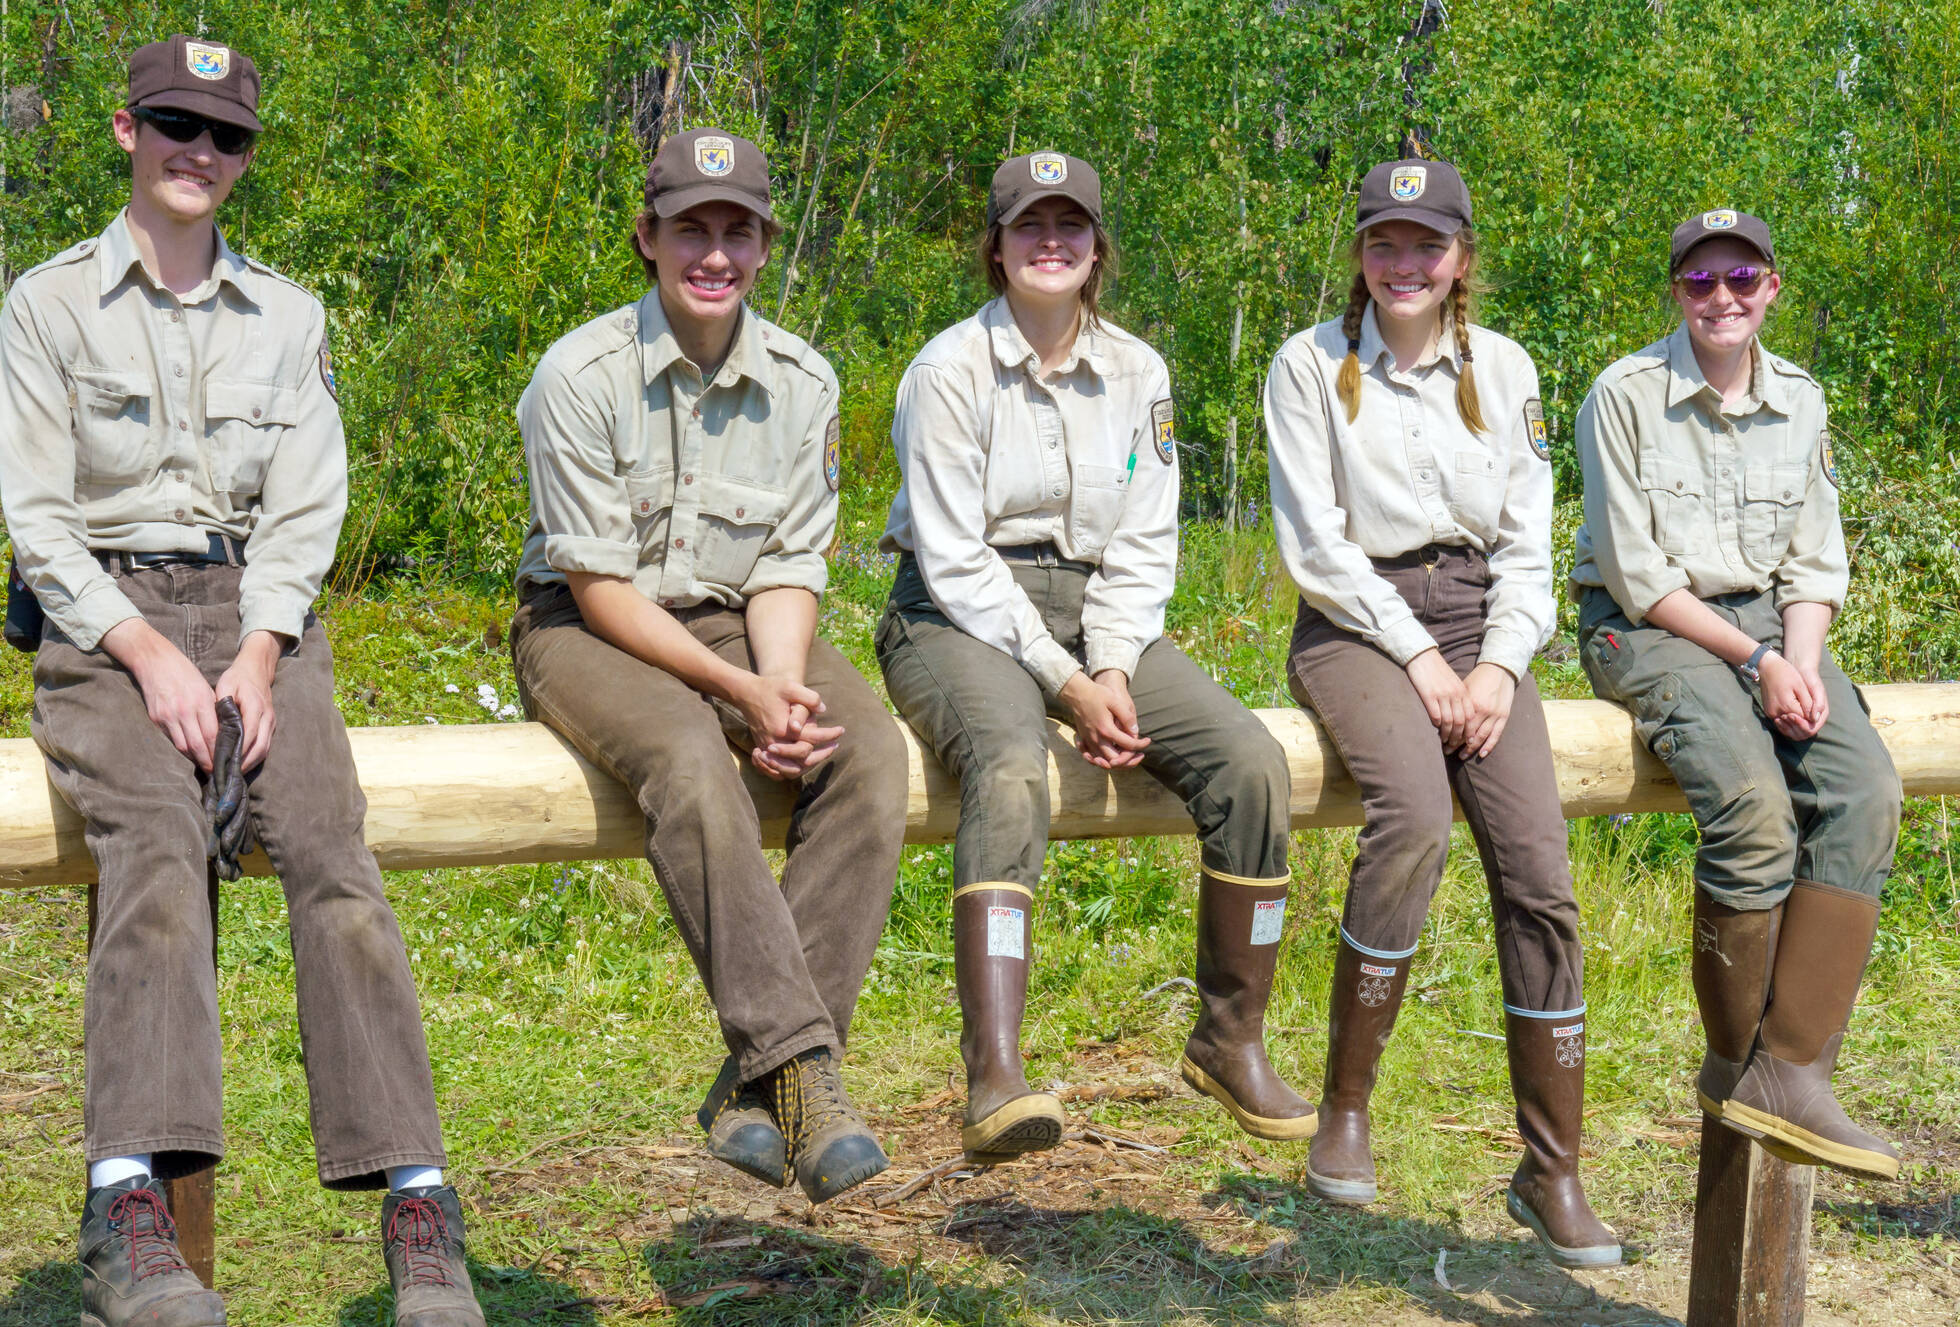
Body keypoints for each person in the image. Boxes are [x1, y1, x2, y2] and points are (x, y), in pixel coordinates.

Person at [0, 36, 482, 1326]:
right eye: (173, 124)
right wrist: (147, 654)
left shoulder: (293, 315)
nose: (197, 153)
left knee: (330, 853)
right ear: (125, 132)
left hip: (257, 611)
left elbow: (308, 507)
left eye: (224, 136)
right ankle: (127, 1212)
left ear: (245, 157)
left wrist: (260, 652)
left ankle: (420, 1209)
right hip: (106, 616)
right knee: (153, 846)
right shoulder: (48, 306)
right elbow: (39, 521)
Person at [877, 151, 1307, 1165]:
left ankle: (1228, 1038)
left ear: (1098, 246)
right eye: (1028, 224)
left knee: (1250, 765)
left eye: (1070, 224)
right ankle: (993, 1070)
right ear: (994, 245)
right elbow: (951, 556)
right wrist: (1064, 685)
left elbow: (1145, 539)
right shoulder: (945, 373)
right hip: (955, 613)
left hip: (1096, 613)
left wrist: (1109, 665)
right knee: (1011, 766)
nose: (1050, 241)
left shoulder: (1138, 372)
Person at [511, 127, 908, 1204]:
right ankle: (803, 1070)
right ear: (648, 237)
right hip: (586, 628)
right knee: (690, 756)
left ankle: (752, 1088)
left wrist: (778, 686)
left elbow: (785, 563)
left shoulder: (802, 380)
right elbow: (597, 587)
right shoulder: (579, 374)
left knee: (866, 752)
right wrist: (734, 698)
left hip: (739, 620)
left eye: (738, 231)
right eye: (692, 228)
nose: (714, 253)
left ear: (766, 245)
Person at [1264, 158, 1619, 1267]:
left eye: (1426, 245)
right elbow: (1315, 546)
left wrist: (1501, 668)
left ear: (1460, 257)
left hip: (1483, 628)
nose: (1402, 264)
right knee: (1412, 816)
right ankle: (1345, 1108)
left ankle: (1549, 1166)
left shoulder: (1500, 367)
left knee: (1538, 872)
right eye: (1383, 243)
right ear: (1360, 255)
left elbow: (1525, 540)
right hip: (1356, 623)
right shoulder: (1309, 364)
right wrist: (1420, 659)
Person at [1572, 208, 1901, 1180]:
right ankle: (1732, 1065)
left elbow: (1811, 562)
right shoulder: (1622, 394)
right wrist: (1755, 667)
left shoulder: (1799, 398)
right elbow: (1636, 576)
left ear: (1771, 287)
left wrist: (1794, 660)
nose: (1721, 297)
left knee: (1864, 789)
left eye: (1741, 279)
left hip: (1767, 625)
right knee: (1753, 809)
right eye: (1699, 281)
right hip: (1646, 625)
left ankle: (1792, 1067)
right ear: (1675, 291)